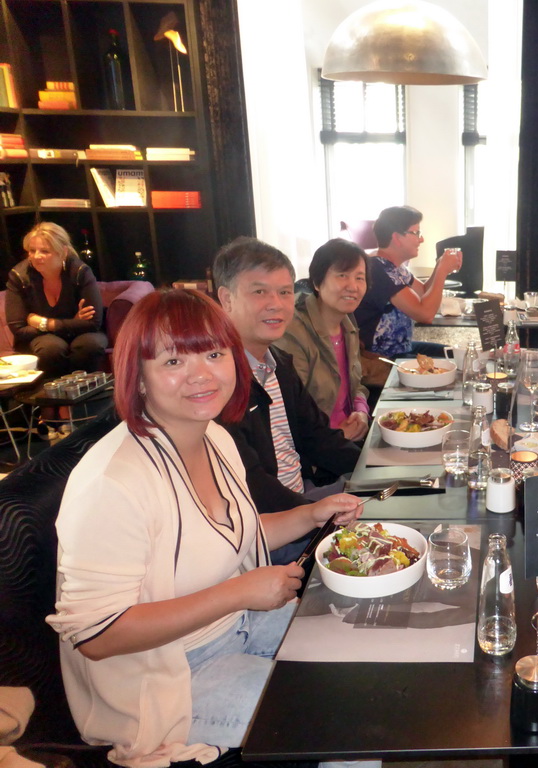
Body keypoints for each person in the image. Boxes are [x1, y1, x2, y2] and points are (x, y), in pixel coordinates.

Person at [45, 289, 364, 767]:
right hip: (167, 679)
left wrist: (308, 516)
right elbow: (95, 634)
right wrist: (239, 593)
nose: (201, 375)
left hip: (239, 627)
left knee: (360, 653)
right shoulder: (112, 481)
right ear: (139, 376)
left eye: (214, 354)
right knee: (341, 720)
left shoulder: (213, 436)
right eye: (173, 361)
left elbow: (222, 532)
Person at [213, 237, 362, 561]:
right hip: (269, 534)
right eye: (259, 292)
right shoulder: (216, 383)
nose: (277, 304)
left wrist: (370, 472)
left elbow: (318, 436)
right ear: (226, 299)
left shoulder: (277, 362)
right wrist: (317, 517)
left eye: (284, 292)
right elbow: (253, 485)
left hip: (303, 499)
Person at [274, 238, 371, 439]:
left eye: (360, 278)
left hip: (352, 437)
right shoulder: (293, 332)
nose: (353, 286)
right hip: (319, 450)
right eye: (342, 275)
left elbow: (356, 385)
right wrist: (336, 435)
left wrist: (361, 411)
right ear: (317, 282)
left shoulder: (347, 323)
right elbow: (292, 412)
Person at [352, 205, 462, 370]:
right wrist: (442, 272)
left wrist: (440, 266)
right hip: (382, 357)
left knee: (456, 355)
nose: (421, 239)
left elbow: (424, 292)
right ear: (396, 237)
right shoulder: (378, 268)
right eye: (416, 233)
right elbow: (425, 314)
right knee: (451, 365)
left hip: (401, 347)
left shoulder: (393, 266)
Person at [5, 222, 106, 376]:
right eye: (32, 251)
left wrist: (44, 323)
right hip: (42, 338)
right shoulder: (19, 276)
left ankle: (88, 394)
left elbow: (93, 322)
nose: (36, 256)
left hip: (81, 334)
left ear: (63, 252)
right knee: (51, 348)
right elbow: (19, 329)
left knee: (90, 345)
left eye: (45, 251)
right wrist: (74, 321)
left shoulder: (80, 272)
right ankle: (54, 396)